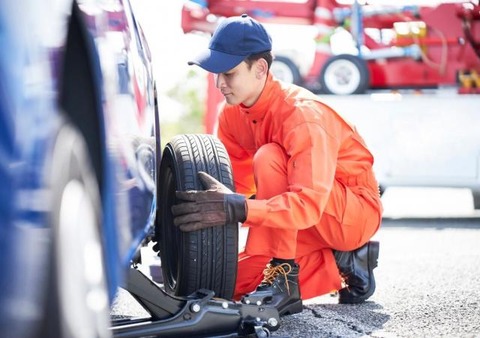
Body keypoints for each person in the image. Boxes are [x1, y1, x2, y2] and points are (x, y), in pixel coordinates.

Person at [171, 14, 383, 316]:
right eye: (215, 74)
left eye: (228, 73)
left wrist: (239, 208)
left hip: (350, 214)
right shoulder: (231, 115)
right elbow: (235, 192)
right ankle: (343, 264)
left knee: (270, 157)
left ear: (260, 69)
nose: (219, 83)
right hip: (298, 220)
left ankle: (285, 279)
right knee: (218, 288)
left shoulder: (303, 117)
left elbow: (308, 204)